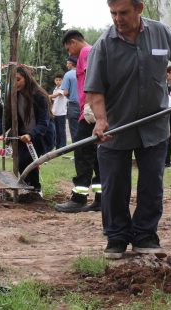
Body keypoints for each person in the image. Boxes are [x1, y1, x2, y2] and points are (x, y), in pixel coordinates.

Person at [85, 0, 171, 259]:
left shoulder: (160, 33)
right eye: (113, 13)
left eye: (123, 12)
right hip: (116, 129)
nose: (117, 19)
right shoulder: (103, 45)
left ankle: (145, 236)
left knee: (152, 184)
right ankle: (116, 237)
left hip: (155, 126)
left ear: (139, 8)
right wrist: (101, 121)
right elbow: (95, 90)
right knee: (115, 186)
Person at [55, 30, 101, 213]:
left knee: (82, 153)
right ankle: (101, 198)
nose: (69, 54)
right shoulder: (91, 52)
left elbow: (93, 77)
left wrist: (91, 106)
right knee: (98, 156)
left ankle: (79, 198)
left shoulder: (86, 53)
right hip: (91, 110)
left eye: (68, 49)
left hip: (89, 112)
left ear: (73, 42)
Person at [0, 66, 51, 194]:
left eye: (18, 79)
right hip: (22, 135)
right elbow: (6, 119)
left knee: (29, 160)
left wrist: (31, 134)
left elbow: (44, 123)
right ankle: (29, 188)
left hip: (40, 135)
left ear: (27, 79)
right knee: (21, 161)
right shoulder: (12, 97)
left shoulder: (40, 96)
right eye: (12, 80)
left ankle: (36, 189)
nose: (15, 83)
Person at [62, 56, 79, 141]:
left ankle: (78, 153)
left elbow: (65, 92)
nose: (67, 65)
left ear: (71, 63)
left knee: (74, 132)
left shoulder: (68, 74)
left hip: (73, 105)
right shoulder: (83, 72)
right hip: (85, 105)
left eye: (67, 63)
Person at [49, 73, 68, 149]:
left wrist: (44, 95)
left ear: (63, 81)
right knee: (56, 130)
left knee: (61, 130)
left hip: (62, 113)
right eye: (56, 80)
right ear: (54, 81)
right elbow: (53, 101)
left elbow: (55, 96)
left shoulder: (63, 88)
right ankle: (57, 146)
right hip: (55, 113)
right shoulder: (55, 89)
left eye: (60, 80)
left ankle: (63, 146)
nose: (58, 81)